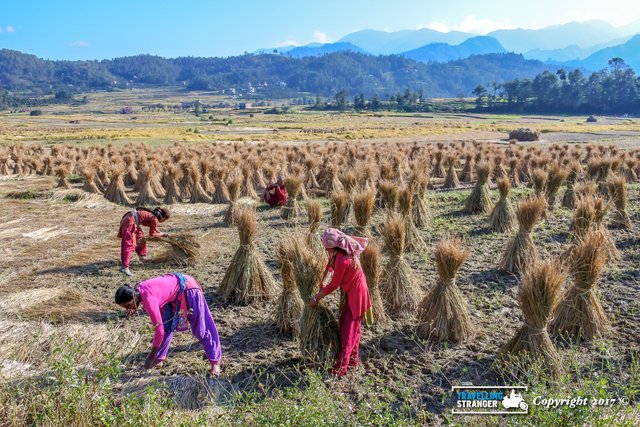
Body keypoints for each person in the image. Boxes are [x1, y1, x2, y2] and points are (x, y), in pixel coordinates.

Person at [114, 273, 222, 376]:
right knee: (167, 326)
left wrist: (151, 356)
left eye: (128, 305)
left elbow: (158, 330)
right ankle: (159, 358)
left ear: (133, 298)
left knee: (201, 329)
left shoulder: (149, 300)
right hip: (172, 294)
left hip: (188, 288)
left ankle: (215, 363)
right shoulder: (138, 290)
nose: (128, 309)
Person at [309, 228, 372, 377]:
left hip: (357, 295)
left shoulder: (343, 259)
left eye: (327, 249)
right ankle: (353, 361)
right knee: (349, 325)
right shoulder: (338, 254)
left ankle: (340, 368)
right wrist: (322, 281)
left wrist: (316, 298)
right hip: (351, 293)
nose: (326, 251)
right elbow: (329, 267)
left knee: (348, 331)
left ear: (334, 247)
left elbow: (334, 285)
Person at [117, 206, 170, 276]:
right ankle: (125, 267)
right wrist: (163, 234)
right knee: (129, 245)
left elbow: (155, 229)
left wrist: (162, 233)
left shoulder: (152, 216)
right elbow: (153, 234)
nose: (163, 221)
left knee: (141, 237)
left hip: (129, 218)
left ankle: (141, 257)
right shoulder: (154, 219)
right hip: (130, 221)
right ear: (163, 218)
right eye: (165, 220)